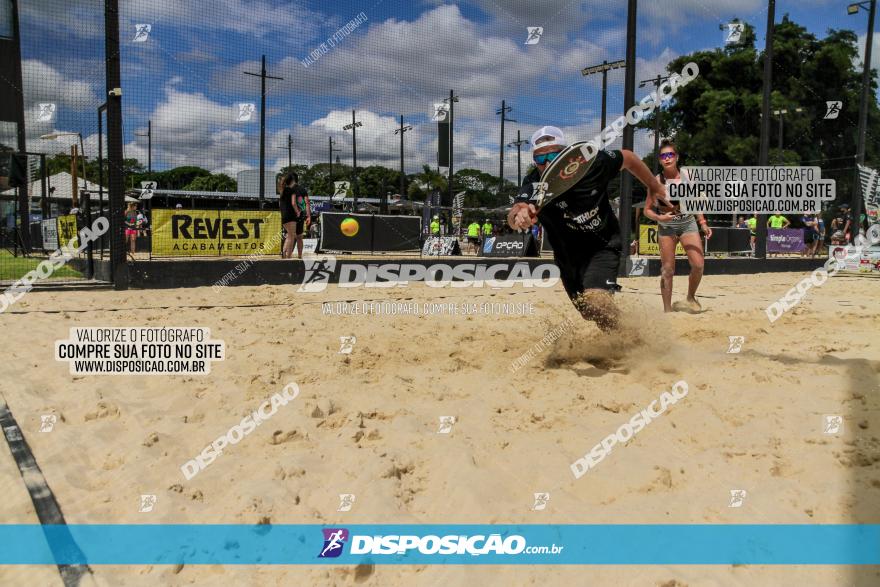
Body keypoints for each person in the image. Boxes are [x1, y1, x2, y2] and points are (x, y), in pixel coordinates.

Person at [508, 125, 670, 331]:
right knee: (589, 312)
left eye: (554, 155)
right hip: (567, 257)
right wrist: (519, 217)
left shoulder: (593, 164)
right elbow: (516, 211)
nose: (547, 163)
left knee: (596, 301)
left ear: (566, 154)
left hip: (603, 246)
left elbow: (628, 157)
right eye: (540, 159)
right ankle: (626, 335)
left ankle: (631, 339)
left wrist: (653, 186)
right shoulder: (533, 182)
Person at [643, 140, 712, 313]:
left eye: (670, 155)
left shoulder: (688, 176)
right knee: (667, 270)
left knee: (698, 265)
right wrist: (660, 217)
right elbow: (647, 210)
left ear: (677, 157)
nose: (667, 158)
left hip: (687, 222)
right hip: (667, 227)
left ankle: (690, 298)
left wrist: (702, 223)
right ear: (660, 160)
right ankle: (667, 311)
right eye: (663, 156)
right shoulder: (656, 181)